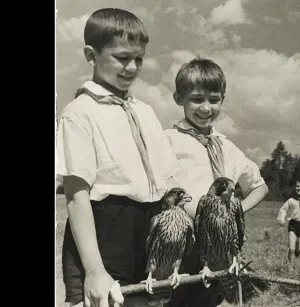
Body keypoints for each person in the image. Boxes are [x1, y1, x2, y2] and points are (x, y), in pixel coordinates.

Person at [56, 8, 181, 307]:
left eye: (139, 58)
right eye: (122, 58)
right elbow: (76, 194)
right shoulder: (79, 113)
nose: (132, 67)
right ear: (91, 55)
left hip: (149, 232)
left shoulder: (146, 111)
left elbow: (169, 182)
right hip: (103, 235)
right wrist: (95, 270)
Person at [164, 58, 269, 307]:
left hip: (220, 245)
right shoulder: (167, 141)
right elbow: (165, 183)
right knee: (182, 299)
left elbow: (259, 186)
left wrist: (235, 212)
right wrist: (200, 216)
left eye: (214, 100)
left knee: (215, 297)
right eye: (196, 99)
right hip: (184, 241)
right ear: (179, 98)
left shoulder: (226, 146)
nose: (205, 108)